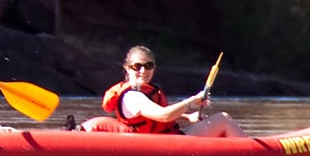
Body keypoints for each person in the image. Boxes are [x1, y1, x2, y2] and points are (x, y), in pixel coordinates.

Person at [95, 46, 245, 137]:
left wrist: (188, 117)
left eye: (149, 65)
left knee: (217, 122)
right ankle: (254, 155)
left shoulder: (142, 93)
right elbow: (164, 115)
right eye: (137, 66)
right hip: (161, 144)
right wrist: (191, 101)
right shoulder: (133, 97)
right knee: (223, 119)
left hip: (166, 138)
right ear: (127, 68)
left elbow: (156, 115)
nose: (143, 70)